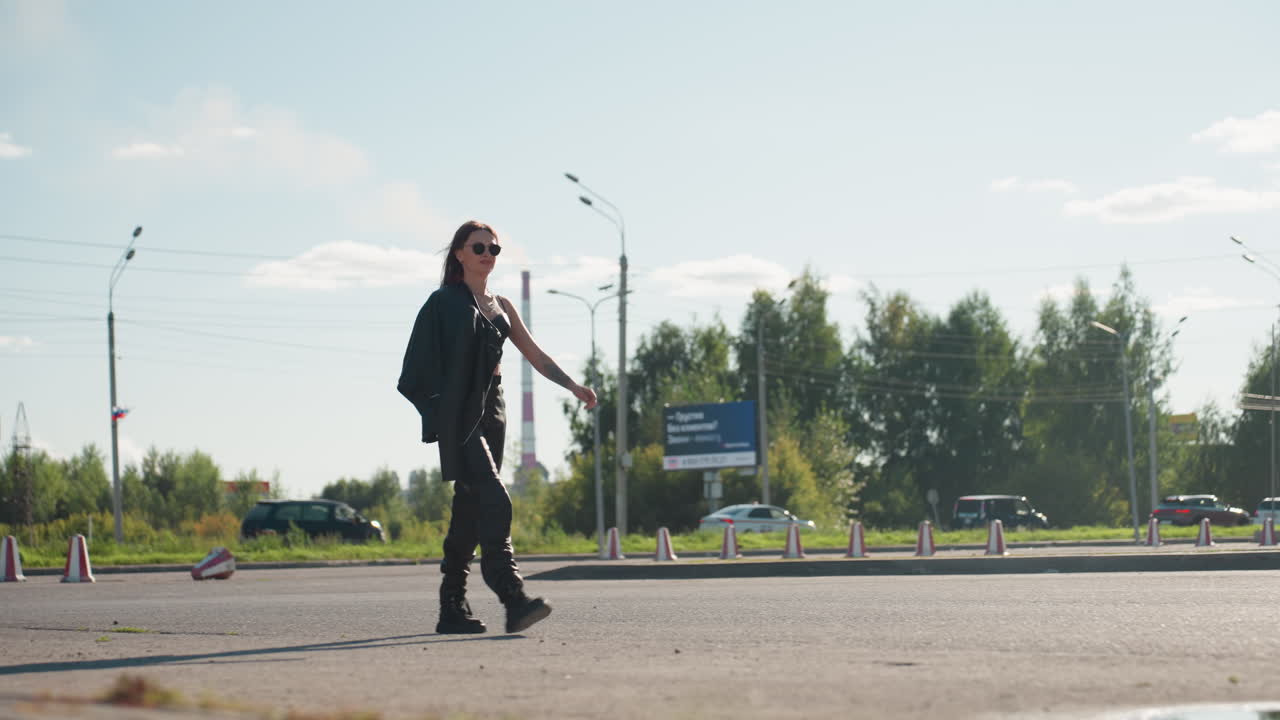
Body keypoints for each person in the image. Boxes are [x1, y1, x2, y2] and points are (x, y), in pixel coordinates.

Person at [398, 220, 598, 634]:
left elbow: (535, 355)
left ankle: (451, 608)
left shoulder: (502, 305)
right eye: (479, 247)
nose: (487, 254)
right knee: (495, 500)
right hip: (461, 414)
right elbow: (415, 367)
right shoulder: (444, 303)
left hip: (495, 410)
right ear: (459, 254)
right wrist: (438, 413)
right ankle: (513, 597)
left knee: (469, 510)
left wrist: (574, 386)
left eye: (494, 249)